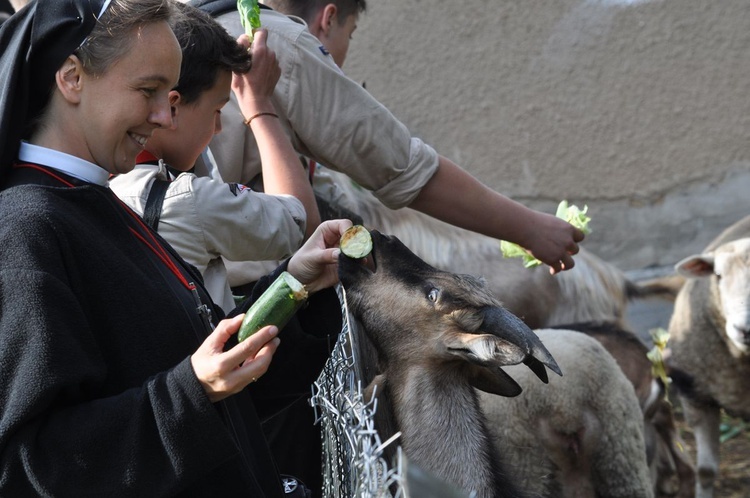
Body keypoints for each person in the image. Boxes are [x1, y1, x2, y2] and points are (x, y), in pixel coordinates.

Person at [0, 0, 348, 495]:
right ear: (72, 77)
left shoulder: (93, 203)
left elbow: (207, 387)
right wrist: (193, 391)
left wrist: (296, 284)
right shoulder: (26, 230)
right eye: (148, 91)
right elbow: (29, 467)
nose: (165, 117)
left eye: (171, 94)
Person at [189, 0, 585, 289]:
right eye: (350, 33)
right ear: (328, 18)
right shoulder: (282, 45)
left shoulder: (188, 21)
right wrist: (531, 228)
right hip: (255, 298)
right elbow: (402, 169)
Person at [110, 3, 320, 314]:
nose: (218, 128)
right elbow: (301, 223)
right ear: (172, 108)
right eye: (217, 111)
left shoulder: (104, 185)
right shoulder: (191, 202)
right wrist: (259, 107)